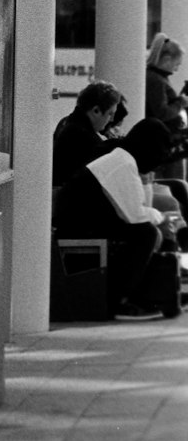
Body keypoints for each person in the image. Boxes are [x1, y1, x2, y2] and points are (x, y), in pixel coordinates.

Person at [54, 118, 183, 322]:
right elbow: (136, 216)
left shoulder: (123, 158)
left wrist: (148, 187)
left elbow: (136, 208)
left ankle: (146, 294)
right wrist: (162, 217)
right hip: (79, 227)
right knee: (146, 234)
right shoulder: (122, 164)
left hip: (84, 221)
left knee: (148, 231)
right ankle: (116, 301)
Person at [52, 79, 123, 189]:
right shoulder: (82, 136)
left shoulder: (68, 124)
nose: (112, 119)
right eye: (110, 114)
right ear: (96, 111)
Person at [145, 32, 188, 179]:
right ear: (167, 59)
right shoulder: (157, 80)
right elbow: (162, 112)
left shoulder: (154, 77)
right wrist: (180, 102)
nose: (176, 70)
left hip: (164, 143)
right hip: (166, 145)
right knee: (176, 186)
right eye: (176, 65)